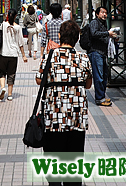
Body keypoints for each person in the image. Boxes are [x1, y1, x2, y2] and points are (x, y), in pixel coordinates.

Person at [36, 20, 92, 186]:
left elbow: (39, 80)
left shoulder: (50, 56)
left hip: (54, 117)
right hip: (77, 117)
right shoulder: (83, 57)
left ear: (60, 36)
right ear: (76, 38)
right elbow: (88, 85)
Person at [88, 6, 117, 106]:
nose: (104, 15)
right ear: (97, 14)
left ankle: (102, 96)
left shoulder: (103, 23)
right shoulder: (94, 22)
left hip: (102, 53)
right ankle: (99, 98)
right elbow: (94, 33)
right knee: (99, 76)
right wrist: (107, 33)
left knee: (104, 76)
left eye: (106, 13)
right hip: (96, 52)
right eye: (102, 12)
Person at [0, 8, 28, 101]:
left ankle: (3, 87)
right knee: (11, 74)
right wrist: (23, 55)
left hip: (3, 52)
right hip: (13, 54)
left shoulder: (3, 25)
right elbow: (21, 43)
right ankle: (10, 95)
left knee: (2, 72)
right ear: (15, 17)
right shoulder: (18, 27)